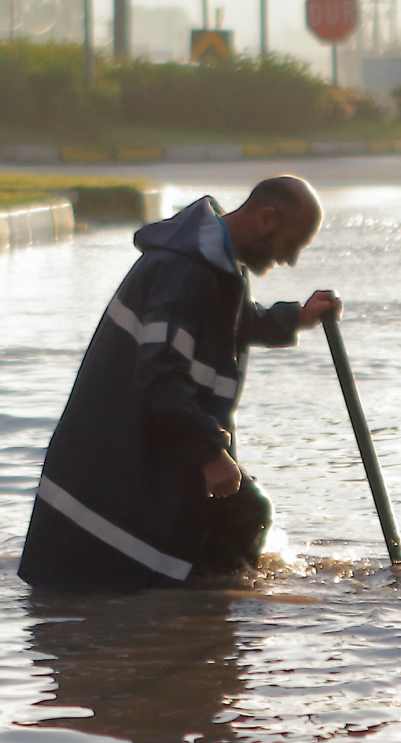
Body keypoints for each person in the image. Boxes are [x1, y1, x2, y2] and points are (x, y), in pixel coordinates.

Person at [19, 176, 340, 593]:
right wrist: (209, 455)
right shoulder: (185, 270)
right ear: (267, 219)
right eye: (292, 244)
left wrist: (295, 317)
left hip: (146, 444)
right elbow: (161, 374)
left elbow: (231, 323)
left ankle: (202, 628)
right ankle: (206, 631)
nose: (291, 259)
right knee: (239, 516)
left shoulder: (212, 262)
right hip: (125, 452)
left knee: (231, 520)